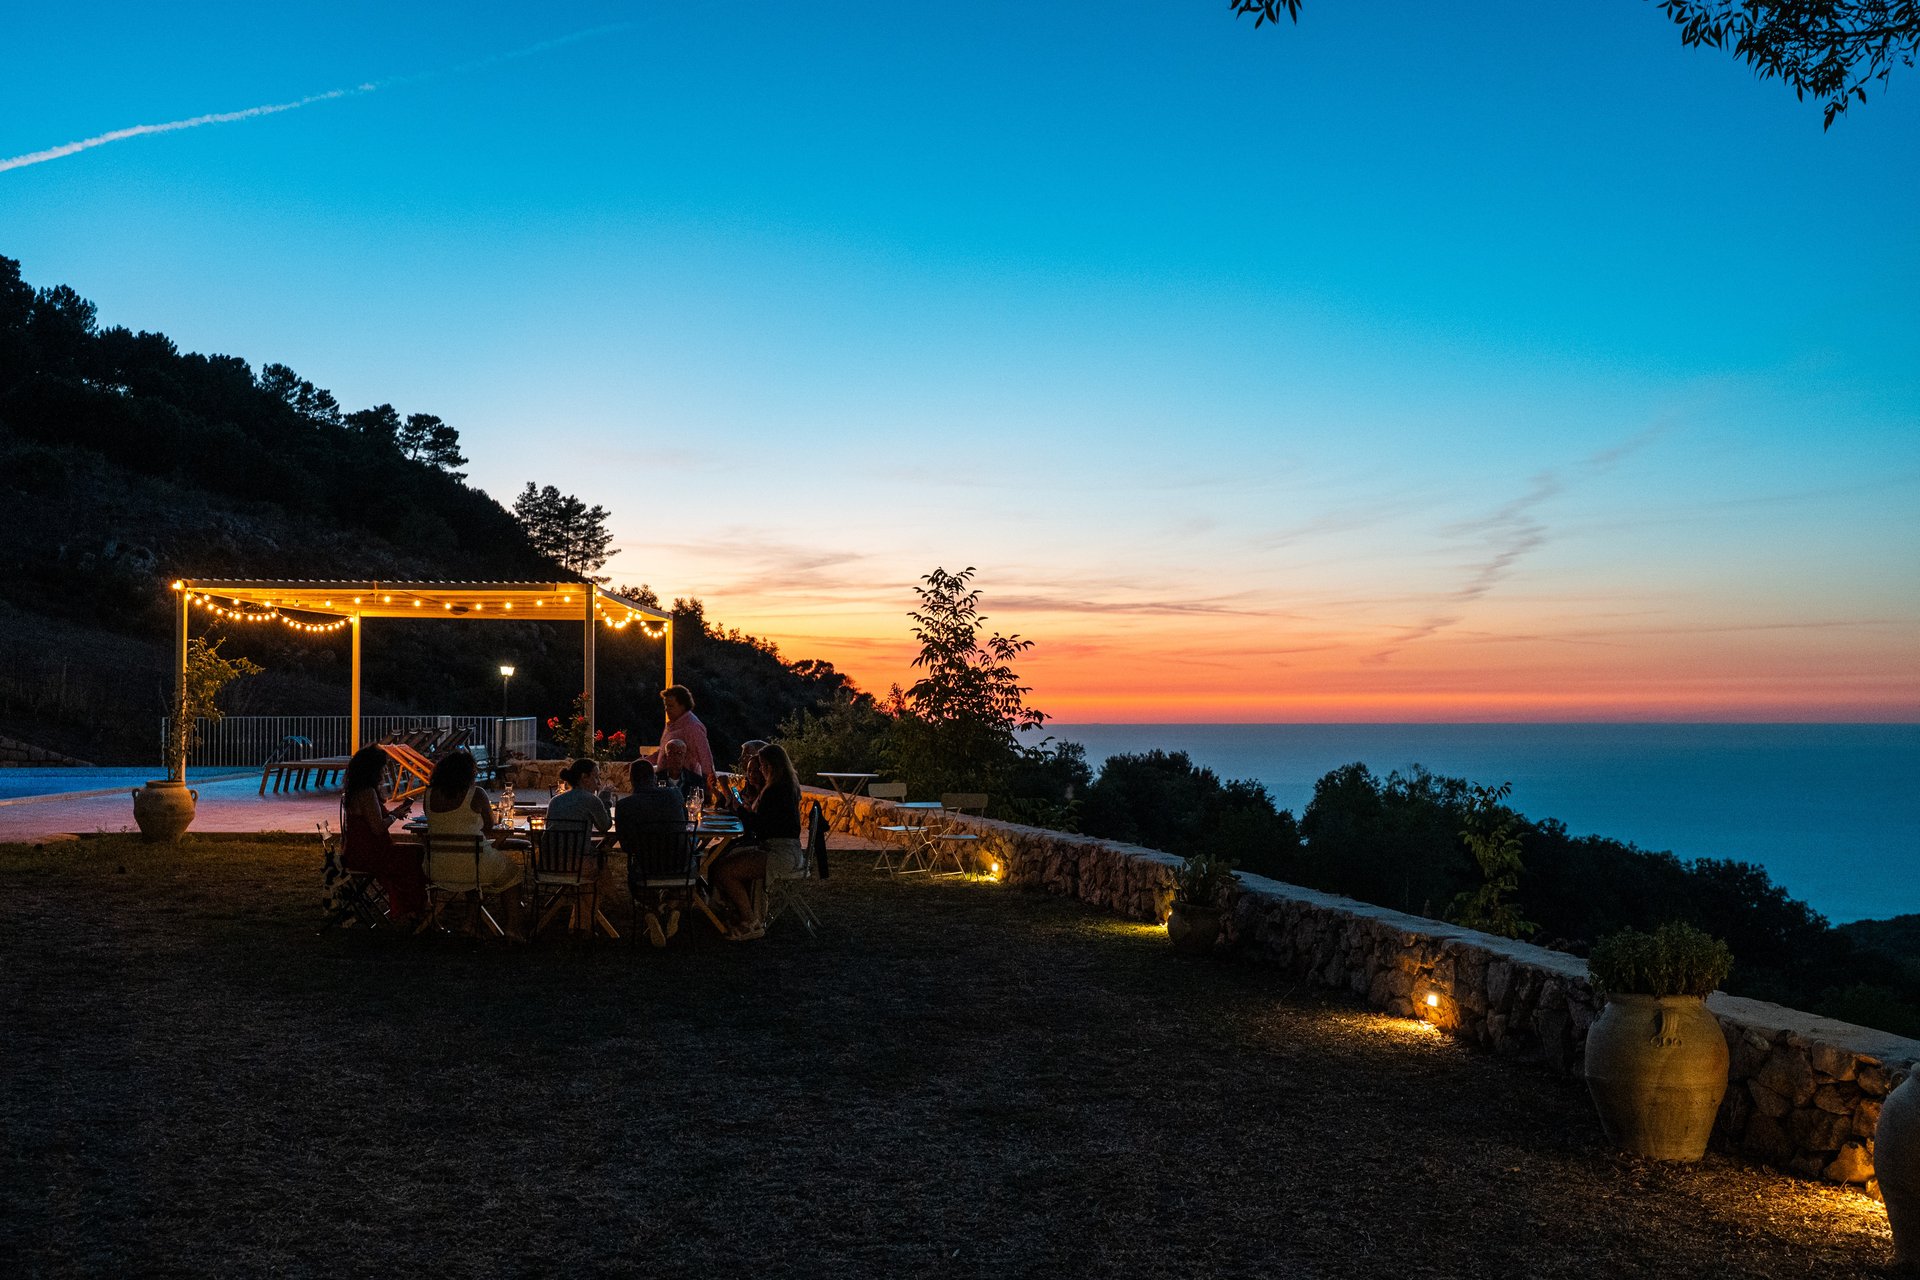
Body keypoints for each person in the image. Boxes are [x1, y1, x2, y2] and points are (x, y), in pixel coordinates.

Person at [709, 742, 805, 941]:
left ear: (770, 766)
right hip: (789, 851)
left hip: (780, 855)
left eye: (761, 765)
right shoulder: (786, 788)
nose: (760, 770)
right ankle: (738, 914)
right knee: (728, 859)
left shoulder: (774, 791)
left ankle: (751, 922)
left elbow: (758, 827)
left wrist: (741, 808)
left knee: (725, 870)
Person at [339, 744, 427, 923]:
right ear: (373, 769)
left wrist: (394, 813)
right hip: (370, 855)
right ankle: (413, 907)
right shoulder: (367, 793)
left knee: (415, 853)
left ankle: (410, 906)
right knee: (417, 855)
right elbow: (378, 828)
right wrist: (394, 815)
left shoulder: (356, 792)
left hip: (358, 851)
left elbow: (373, 819)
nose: (385, 771)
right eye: (382, 767)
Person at [616, 759, 694, 946]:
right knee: (694, 861)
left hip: (646, 870)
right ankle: (674, 904)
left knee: (633, 875)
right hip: (679, 867)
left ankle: (650, 910)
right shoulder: (675, 795)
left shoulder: (625, 805)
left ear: (631, 779)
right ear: (653, 777)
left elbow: (626, 846)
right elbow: (683, 824)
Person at [423, 749, 523, 894]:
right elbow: (490, 825)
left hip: (437, 868)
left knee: (470, 866)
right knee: (513, 874)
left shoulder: (429, 794)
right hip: (475, 867)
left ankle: (472, 914)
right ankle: (513, 916)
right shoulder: (476, 794)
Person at [654, 685, 716, 796]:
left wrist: (709, 790)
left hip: (686, 787)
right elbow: (663, 752)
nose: (666, 709)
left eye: (670, 706)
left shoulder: (693, 726)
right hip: (664, 783)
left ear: (683, 706)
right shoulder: (671, 725)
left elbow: (705, 757)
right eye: (666, 706)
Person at [545, 757, 612, 839]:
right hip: (579, 851)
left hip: (553, 851)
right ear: (584, 777)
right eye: (596, 777)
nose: (599, 782)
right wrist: (605, 800)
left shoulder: (554, 801)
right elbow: (605, 827)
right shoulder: (591, 800)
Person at [656, 737, 708, 802]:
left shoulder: (695, 780)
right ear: (666, 756)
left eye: (679, 753)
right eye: (671, 753)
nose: (675, 757)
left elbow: (702, 802)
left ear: (685, 757)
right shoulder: (656, 779)